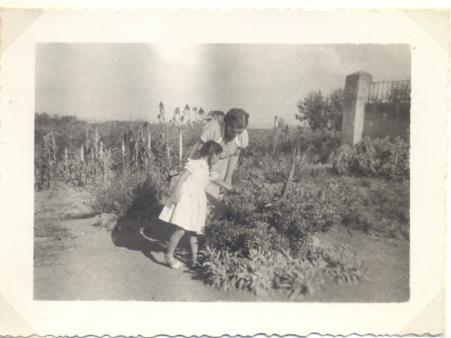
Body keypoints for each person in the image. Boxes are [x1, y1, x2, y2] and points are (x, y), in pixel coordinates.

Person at [158, 141, 230, 269]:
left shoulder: (208, 169)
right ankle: (169, 256)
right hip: (186, 199)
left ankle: (195, 260)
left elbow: (217, 180)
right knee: (180, 230)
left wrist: (230, 188)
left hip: (197, 202)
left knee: (194, 232)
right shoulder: (195, 163)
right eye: (218, 157)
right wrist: (176, 192)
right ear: (212, 155)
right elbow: (182, 178)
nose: (218, 160)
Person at [196, 108, 249, 198]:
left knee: (217, 195)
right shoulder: (213, 129)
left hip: (223, 165)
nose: (236, 135)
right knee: (202, 194)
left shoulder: (241, 135)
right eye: (233, 131)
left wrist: (228, 176)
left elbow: (235, 154)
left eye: (239, 132)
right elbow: (198, 155)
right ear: (226, 124)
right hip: (204, 163)